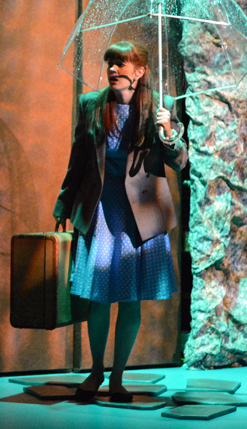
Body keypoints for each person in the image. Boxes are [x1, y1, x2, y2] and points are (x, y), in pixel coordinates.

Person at [53, 40, 187, 403]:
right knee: (99, 296)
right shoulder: (92, 105)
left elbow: (180, 162)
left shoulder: (159, 106)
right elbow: (78, 158)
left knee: (130, 299)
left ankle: (117, 376)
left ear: (139, 71)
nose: (113, 69)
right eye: (110, 62)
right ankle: (95, 371)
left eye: (121, 63)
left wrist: (168, 134)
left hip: (140, 213)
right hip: (101, 208)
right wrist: (64, 203)